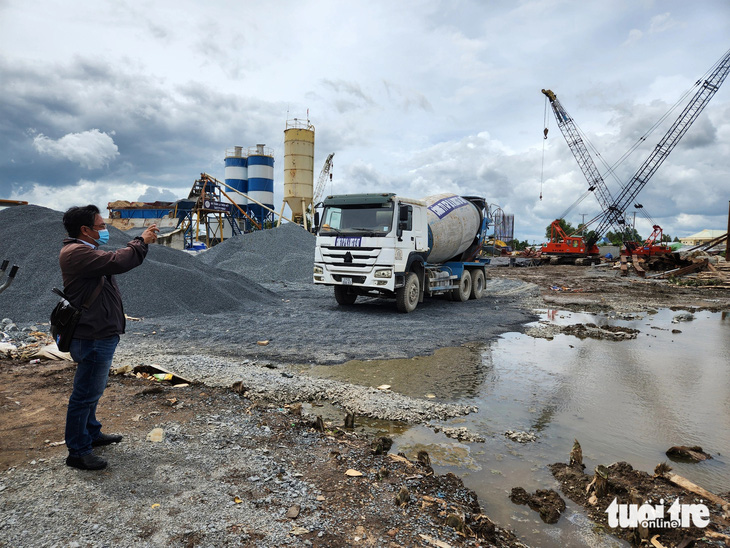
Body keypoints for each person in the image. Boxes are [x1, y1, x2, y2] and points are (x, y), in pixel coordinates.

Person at [59, 205, 159, 470]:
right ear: (85, 230)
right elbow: (118, 261)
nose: (104, 230)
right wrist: (141, 241)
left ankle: (91, 433)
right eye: (101, 226)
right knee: (85, 394)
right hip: (92, 337)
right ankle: (78, 451)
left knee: (93, 390)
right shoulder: (76, 253)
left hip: (99, 333)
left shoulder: (85, 250)